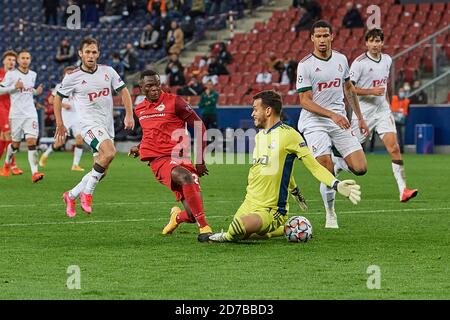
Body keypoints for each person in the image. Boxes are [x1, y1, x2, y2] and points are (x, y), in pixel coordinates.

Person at [208, 91, 361, 243]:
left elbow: (314, 167)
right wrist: (294, 189)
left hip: (271, 209)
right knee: (239, 231)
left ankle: (225, 237)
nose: (252, 114)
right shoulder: (259, 136)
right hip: (249, 202)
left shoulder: (290, 136)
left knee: (236, 228)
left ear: (268, 111)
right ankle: (284, 229)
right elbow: (279, 167)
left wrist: (336, 184)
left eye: (255, 109)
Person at [296, 20, 369, 229]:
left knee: (361, 168)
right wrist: (331, 115)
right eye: (317, 36)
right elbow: (305, 101)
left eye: (325, 35)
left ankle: (339, 163)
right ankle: (330, 213)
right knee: (326, 169)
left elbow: (349, 89)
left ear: (331, 37)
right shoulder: (305, 65)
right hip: (314, 121)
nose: (321, 40)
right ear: (312, 38)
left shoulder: (341, 59)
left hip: (338, 119)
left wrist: (360, 118)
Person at [128, 70, 213, 242]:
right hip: (159, 160)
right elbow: (150, 133)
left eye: (157, 84)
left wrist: (200, 160)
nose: (154, 89)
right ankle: (205, 228)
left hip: (182, 158)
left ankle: (177, 218)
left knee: (191, 213)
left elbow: (199, 126)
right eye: (149, 86)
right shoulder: (139, 109)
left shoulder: (175, 102)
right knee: (184, 176)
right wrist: (139, 147)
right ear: (141, 88)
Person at [54, 37, 135, 218]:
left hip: (107, 125)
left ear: (98, 54)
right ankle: (87, 193)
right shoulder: (72, 77)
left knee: (102, 170)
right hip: (89, 124)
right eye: (87, 52)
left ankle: (71, 195)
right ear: (80, 54)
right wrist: (60, 122)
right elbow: (57, 98)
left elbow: (124, 91)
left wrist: (129, 114)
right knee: (110, 152)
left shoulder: (108, 71)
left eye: (94, 52)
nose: (91, 55)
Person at [350, 28, 418, 202]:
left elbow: (385, 85)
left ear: (382, 42)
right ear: (366, 43)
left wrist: (388, 104)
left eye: (378, 40)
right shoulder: (359, 63)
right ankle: (332, 178)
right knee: (350, 155)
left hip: (382, 112)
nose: (375, 44)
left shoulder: (387, 60)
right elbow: (349, 90)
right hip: (363, 113)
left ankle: (403, 190)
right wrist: (371, 91)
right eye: (372, 41)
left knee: (394, 148)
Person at [0, 50, 44, 182]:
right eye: (22, 58)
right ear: (18, 60)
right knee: (15, 144)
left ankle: (35, 173)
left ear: (30, 60)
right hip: (16, 115)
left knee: (31, 142)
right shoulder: (11, 75)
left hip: (30, 114)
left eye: (27, 58)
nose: (25, 60)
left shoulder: (33, 74)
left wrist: (37, 92)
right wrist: (14, 87)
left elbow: (28, 91)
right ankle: (7, 163)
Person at [39, 66, 85, 172]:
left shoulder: (80, 85)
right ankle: (45, 155)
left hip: (77, 117)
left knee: (79, 139)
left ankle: (75, 165)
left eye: (71, 73)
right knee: (60, 143)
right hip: (65, 118)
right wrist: (64, 105)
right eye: (67, 74)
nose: (69, 75)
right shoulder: (60, 86)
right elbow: (51, 100)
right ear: (64, 75)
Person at [0, 51, 23, 175]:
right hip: (1, 107)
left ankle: (7, 165)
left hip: (13, 108)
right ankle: (12, 166)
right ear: (4, 61)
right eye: (9, 59)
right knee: (9, 135)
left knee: (4, 137)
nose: (11, 62)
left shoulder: (17, 75)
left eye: (13, 60)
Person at [390, 87, 410, 154]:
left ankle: (401, 150)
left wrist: (402, 113)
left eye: (403, 91)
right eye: (400, 91)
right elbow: (391, 108)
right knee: (393, 136)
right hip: (393, 120)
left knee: (401, 136)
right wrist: (398, 110)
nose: (401, 93)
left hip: (401, 121)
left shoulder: (406, 101)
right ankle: (393, 149)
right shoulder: (394, 98)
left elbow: (407, 112)